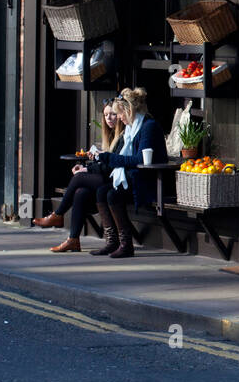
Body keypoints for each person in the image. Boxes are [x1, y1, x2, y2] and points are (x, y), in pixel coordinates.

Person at [32, 99, 125, 253]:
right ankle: (73, 240)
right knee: (81, 192)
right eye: (106, 115)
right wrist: (87, 166)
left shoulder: (122, 136)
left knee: (79, 178)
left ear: (120, 115)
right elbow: (102, 164)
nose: (109, 118)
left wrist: (86, 171)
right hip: (107, 177)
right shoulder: (109, 136)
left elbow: (110, 166)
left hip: (116, 179)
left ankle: (58, 214)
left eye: (113, 114)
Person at [92, 87, 168, 259]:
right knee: (101, 191)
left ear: (129, 110)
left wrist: (109, 158)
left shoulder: (148, 126)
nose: (119, 118)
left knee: (112, 195)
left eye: (120, 114)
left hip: (148, 180)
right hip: (134, 176)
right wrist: (107, 158)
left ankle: (126, 244)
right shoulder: (131, 128)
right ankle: (112, 241)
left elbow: (139, 159)